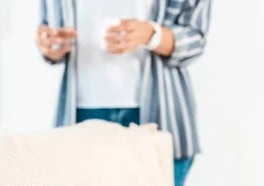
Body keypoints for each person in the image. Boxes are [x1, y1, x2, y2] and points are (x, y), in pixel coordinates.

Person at [36, 0, 211, 185]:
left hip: (159, 113)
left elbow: (196, 39)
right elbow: (50, 31)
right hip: (80, 112)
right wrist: (51, 45)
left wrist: (151, 34)